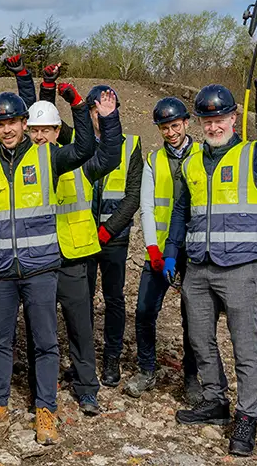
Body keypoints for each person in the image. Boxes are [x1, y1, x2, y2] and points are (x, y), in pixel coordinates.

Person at [166, 81, 257, 457]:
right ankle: (214, 400)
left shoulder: (255, 154)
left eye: (219, 119)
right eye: (206, 120)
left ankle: (247, 416)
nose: (213, 127)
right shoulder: (192, 161)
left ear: (233, 118)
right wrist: (169, 253)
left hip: (241, 267)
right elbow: (181, 211)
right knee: (200, 340)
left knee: (245, 346)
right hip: (198, 267)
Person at [0, 91, 95, 445]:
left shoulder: (47, 155)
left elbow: (84, 149)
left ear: (25, 124)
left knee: (45, 343)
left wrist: (79, 108)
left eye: (12, 123)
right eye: (1, 124)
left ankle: (45, 410)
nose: (7, 130)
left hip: (40, 268)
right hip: (2, 271)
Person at [18, 85, 122, 417]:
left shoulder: (78, 163)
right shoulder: (21, 169)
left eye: (46, 130)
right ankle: (40, 390)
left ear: (56, 131)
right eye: (34, 130)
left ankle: (87, 388)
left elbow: (110, 155)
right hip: (39, 261)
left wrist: (109, 120)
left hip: (74, 257)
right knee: (39, 328)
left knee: (80, 326)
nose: (39, 136)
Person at [126, 97, 225, 403]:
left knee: (192, 316)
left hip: (195, 249)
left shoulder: (204, 153)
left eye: (174, 125)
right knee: (144, 311)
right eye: (164, 128)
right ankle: (146, 369)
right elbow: (147, 207)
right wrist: (153, 248)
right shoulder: (154, 161)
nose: (170, 132)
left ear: (185, 123)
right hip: (160, 249)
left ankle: (191, 376)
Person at [84, 84, 142, 388]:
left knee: (114, 299)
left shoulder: (131, 144)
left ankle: (111, 358)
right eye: (95, 109)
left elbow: (132, 196)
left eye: (107, 108)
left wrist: (108, 229)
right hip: (82, 237)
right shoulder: (81, 143)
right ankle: (84, 360)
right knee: (82, 300)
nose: (100, 115)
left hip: (113, 238)